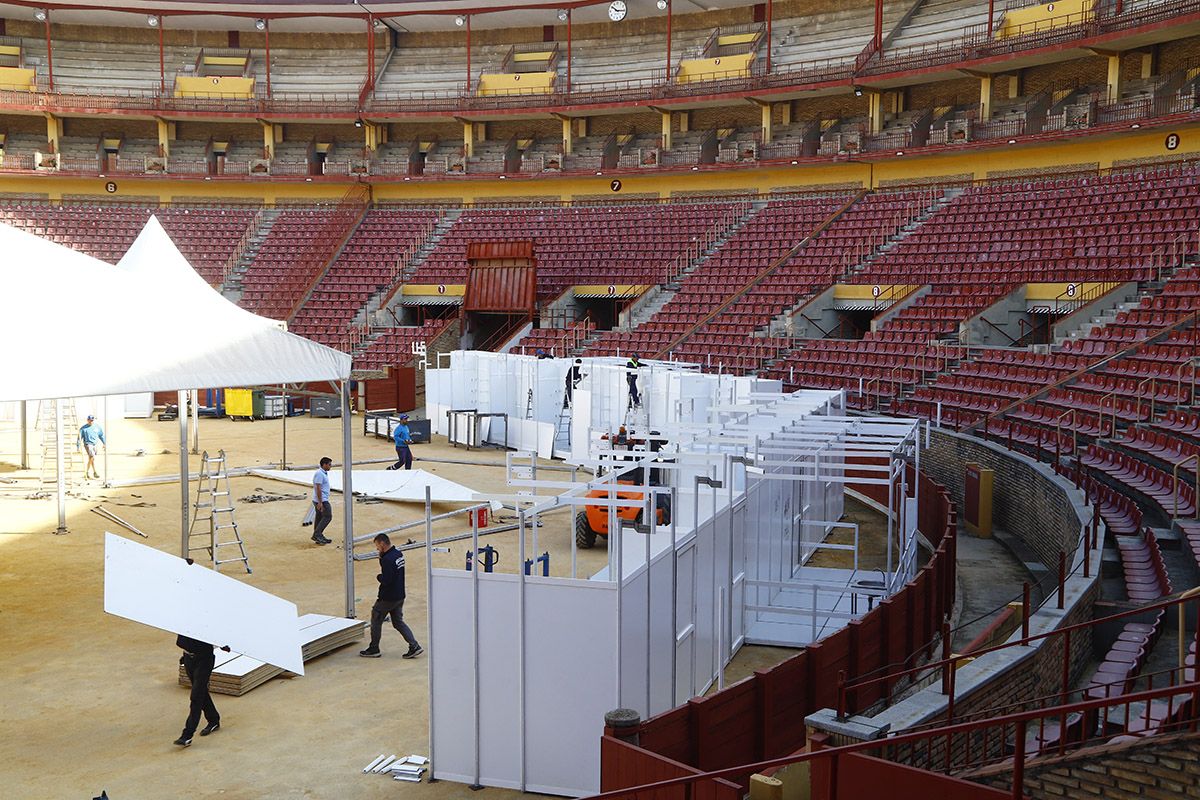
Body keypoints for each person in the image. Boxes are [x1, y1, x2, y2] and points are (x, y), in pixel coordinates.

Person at [360, 533, 422, 660]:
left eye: (377, 547)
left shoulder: (387, 559)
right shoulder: (398, 554)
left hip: (388, 597)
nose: (377, 549)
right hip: (400, 595)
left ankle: (374, 648)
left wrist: (379, 577)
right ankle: (414, 645)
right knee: (398, 622)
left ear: (382, 544)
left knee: (376, 619)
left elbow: (387, 580)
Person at [174, 632, 228, 747]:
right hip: (188, 658)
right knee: (200, 692)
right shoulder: (184, 619)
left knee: (196, 697)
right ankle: (213, 720)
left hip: (204, 660)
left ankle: (187, 736)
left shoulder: (206, 622)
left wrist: (224, 643)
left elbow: (220, 635)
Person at [311, 457, 333, 545]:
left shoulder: (322, 473)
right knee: (328, 516)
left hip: (320, 499)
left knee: (319, 518)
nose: (330, 466)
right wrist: (320, 502)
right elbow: (318, 488)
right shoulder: (319, 474)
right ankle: (317, 534)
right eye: (329, 464)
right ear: (324, 464)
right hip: (322, 500)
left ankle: (318, 536)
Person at [77, 414, 106, 480]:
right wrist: (78, 447)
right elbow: (79, 438)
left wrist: (104, 443)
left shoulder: (97, 427)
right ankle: (88, 471)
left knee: (91, 458)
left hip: (95, 444)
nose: (91, 421)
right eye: (90, 420)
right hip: (88, 444)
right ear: (87, 420)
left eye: (92, 420)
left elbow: (101, 435)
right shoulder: (83, 428)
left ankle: (92, 472)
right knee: (92, 457)